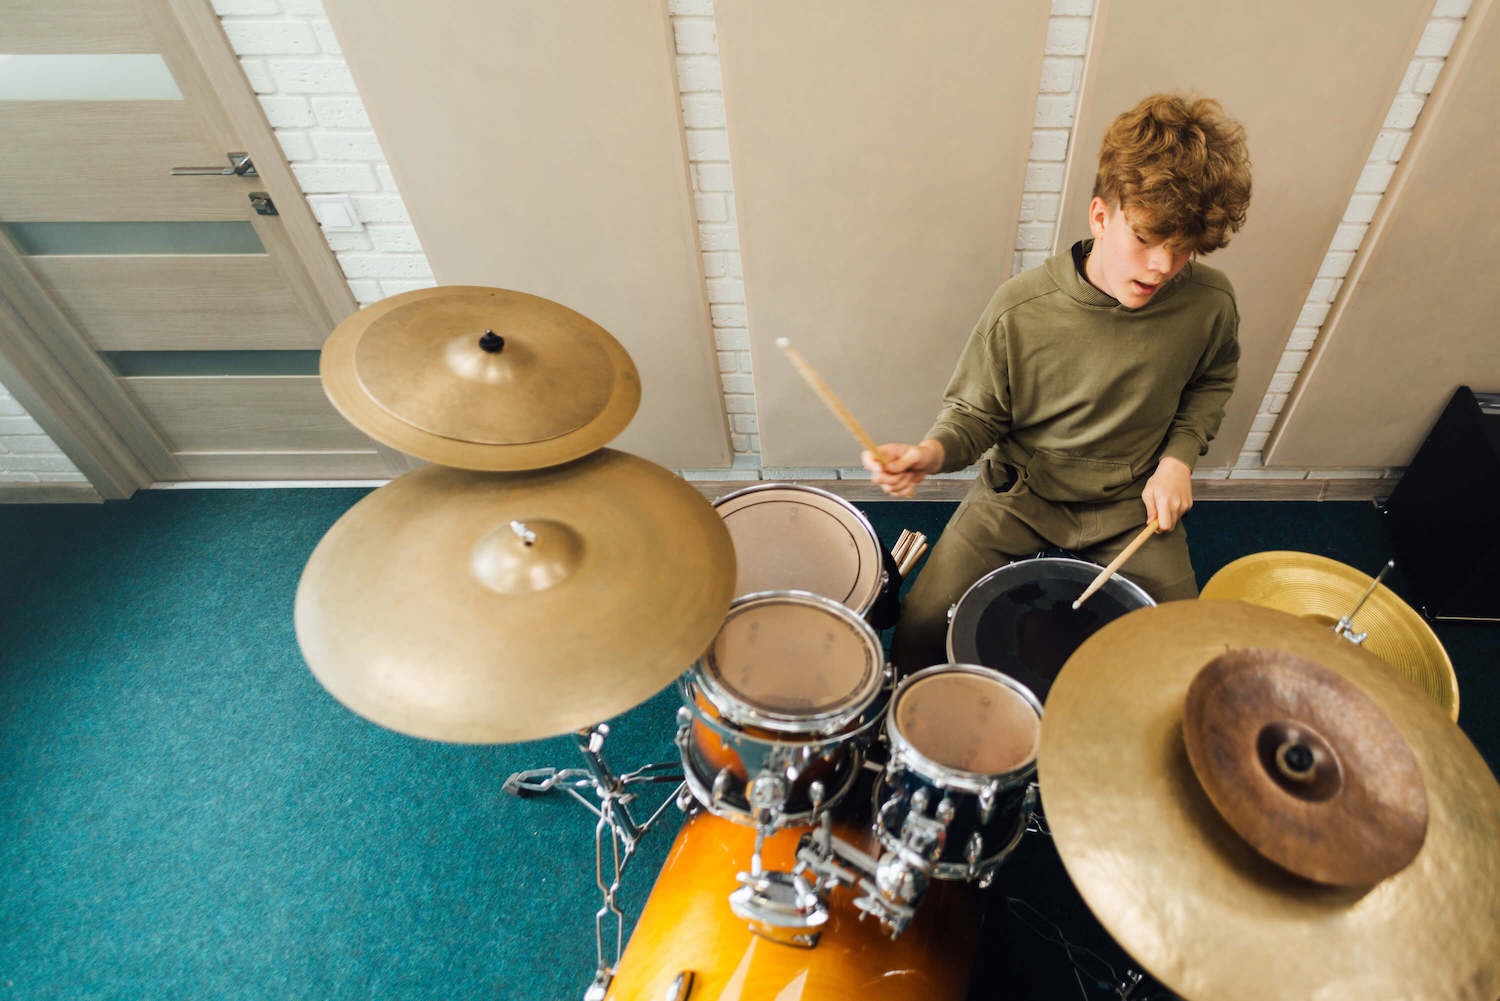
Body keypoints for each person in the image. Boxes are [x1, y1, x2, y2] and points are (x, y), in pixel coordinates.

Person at [866, 93, 1252, 673]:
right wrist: (931, 452)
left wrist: (1177, 460)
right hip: (1022, 495)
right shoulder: (1020, 310)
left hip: (1131, 502)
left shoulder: (1210, 302)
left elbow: (1212, 380)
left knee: (1183, 646)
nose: (1162, 267)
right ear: (1101, 216)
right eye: (1146, 238)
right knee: (922, 622)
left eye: (1184, 249)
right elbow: (976, 415)